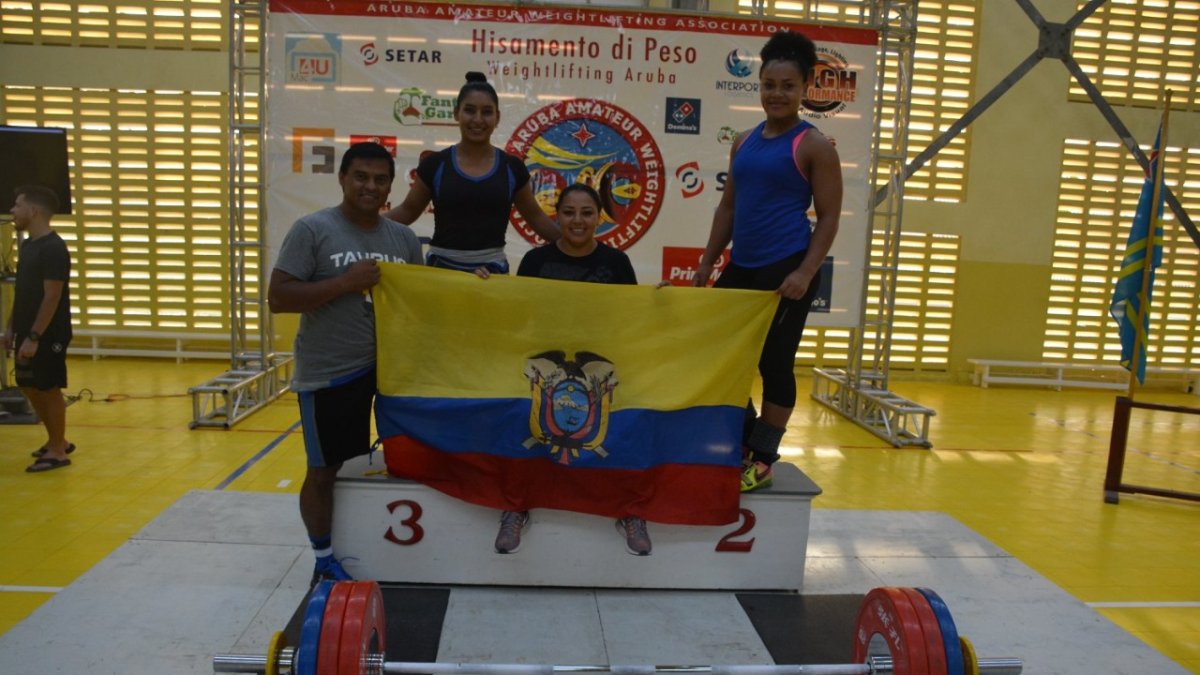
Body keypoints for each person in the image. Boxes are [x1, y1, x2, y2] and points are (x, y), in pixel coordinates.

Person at [693, 30, 843, 493]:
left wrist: (805, 272)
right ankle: (744, 437)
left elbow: (829, 216)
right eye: (769, 85)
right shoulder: (743, 141)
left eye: (788, 86)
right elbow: (728, 208)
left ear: (804, 88)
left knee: (774, 364)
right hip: (743, 266)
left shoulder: (813, 145)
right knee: (718, 354)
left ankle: (762, 458)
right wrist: (708, 262)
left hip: (787, 267)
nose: (777, 94)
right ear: (759, 86)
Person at [268, 142, 424, 585]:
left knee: (395, 463)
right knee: (324, 470)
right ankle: (323, 559)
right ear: (342, 178)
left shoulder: (403, 239)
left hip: (391, 373)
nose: (370, 186)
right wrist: (345, 282)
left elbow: (417, 303)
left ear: (391, 186)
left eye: (380, 179)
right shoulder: (312, 229)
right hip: (332, 372)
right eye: (361, 177)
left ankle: (375, 550)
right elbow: (279, 298)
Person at [478, 184, 650, 556]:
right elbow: (519, 317)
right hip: (547, 370)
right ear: (557, 216)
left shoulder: (617, 263)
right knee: (517, 420)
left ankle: (630, 512)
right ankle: (515, 508)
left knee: (629, 427)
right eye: (569, 212)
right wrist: (488, 291)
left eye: (586, 212)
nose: (577, 220)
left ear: (599, 217)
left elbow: (633, 318)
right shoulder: (535, 261)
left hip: (598, 370)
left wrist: (661, 301)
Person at [386, 71, 559, 272]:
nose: (478, 119)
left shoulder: (512, 168)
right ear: (456, 113)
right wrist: (361, 225)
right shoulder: (435, 164)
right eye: (469, 110)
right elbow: (407, 211)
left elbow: (536, 218)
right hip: (442, 274)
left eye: (486, 112)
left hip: (492, 274)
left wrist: (578, 246)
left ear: (497, 117)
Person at [5, 185, 75, 473]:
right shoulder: (29, 246)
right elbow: (24, 292)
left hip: (48, 333)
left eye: (17, 205)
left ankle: (58, 450)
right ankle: (56, 440)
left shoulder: (53, 248)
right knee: (28, 384)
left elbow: (52, 296)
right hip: (26, 328)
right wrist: (11, 328)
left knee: (48, 387)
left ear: (33, 211)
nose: (13, 210)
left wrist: (35, 336)